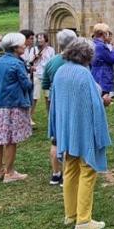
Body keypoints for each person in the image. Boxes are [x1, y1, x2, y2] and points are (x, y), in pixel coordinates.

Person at [49, 38, 113, 229]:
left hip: (67, 129)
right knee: (87, 170)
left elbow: (54, 103)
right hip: (83, 129)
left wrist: (55, 129)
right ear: (87, 56)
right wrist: (104, 103)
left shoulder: (61, 71)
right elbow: (94, 104)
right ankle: (84, 221)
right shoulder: (83, 74)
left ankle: (71, 214)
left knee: (70, 169)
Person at [0, 32, 34, 182]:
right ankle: (10, 172)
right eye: (22, 44)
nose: (25, 46)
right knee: (11, 139)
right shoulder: (17, 63)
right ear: (15, 47)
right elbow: (26, 84)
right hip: (13, 104)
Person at [41, 29, 79, 185]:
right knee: (71, 137)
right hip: (73, 103)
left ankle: (56, 174)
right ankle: (68, 175)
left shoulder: (51, 62)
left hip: (55, 102)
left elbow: (44, 84)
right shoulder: (77, 62)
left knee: (55, 140)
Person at [90, 23, 114, 95]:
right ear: (103, 34)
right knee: (103, 99)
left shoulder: (94, 43)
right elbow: (112, 59)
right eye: (107, 33)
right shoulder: (100, 46)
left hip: (96, 75)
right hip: (102, 77)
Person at [33, 33, 56, 122]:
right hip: (37, 74)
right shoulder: (34, 49)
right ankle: (30, 117)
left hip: (47, 75)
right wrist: (35, 58)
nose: (39, 40)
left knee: (48, 97)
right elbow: (30, 62)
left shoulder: (51, 50)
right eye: (38, 38)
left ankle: (50, 116)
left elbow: (52, 61)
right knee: (35, 97)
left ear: (45, 39)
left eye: (41, 38)